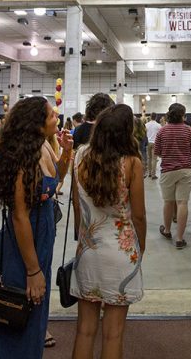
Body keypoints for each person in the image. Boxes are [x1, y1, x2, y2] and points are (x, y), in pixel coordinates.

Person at [0, 96, 73, 359]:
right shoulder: (23, 159)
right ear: (36, 123)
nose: (57, 117)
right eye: (51, 115)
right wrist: (33, 270)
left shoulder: (43, 145)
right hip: (22, 244)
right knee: (18, 307)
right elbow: (20, 216)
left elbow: (58, 179)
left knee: (32, 311)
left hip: (40, 236)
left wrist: (66, 152)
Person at [71, 104, 146, 359]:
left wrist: (82, 238)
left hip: (88, 251)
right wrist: (140, 246)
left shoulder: (80, 156)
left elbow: (76, 206)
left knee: (84, 330)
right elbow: (138, 215)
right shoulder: (132, 163)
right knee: (113, 333)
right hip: (121, 253)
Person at [154, 103, 191, 250]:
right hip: (186, 170)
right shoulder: (190, 130)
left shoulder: (162, 131)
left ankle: (167, 231)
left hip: (167, 170)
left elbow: (158, 152)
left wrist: (169, 156)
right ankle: (180, 238)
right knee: (182, 203)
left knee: (168, 202)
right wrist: (186, 157)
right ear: (183, 115)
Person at [145, 113, 161, 180]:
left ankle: (149, 173)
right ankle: (153, 175)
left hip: (148, 142)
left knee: (149, 158)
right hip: (155, 143)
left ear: (150, 117)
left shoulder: (146, 125)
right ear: (156, 117)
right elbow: (160, 134)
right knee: (154, 159)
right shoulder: (158, 125)